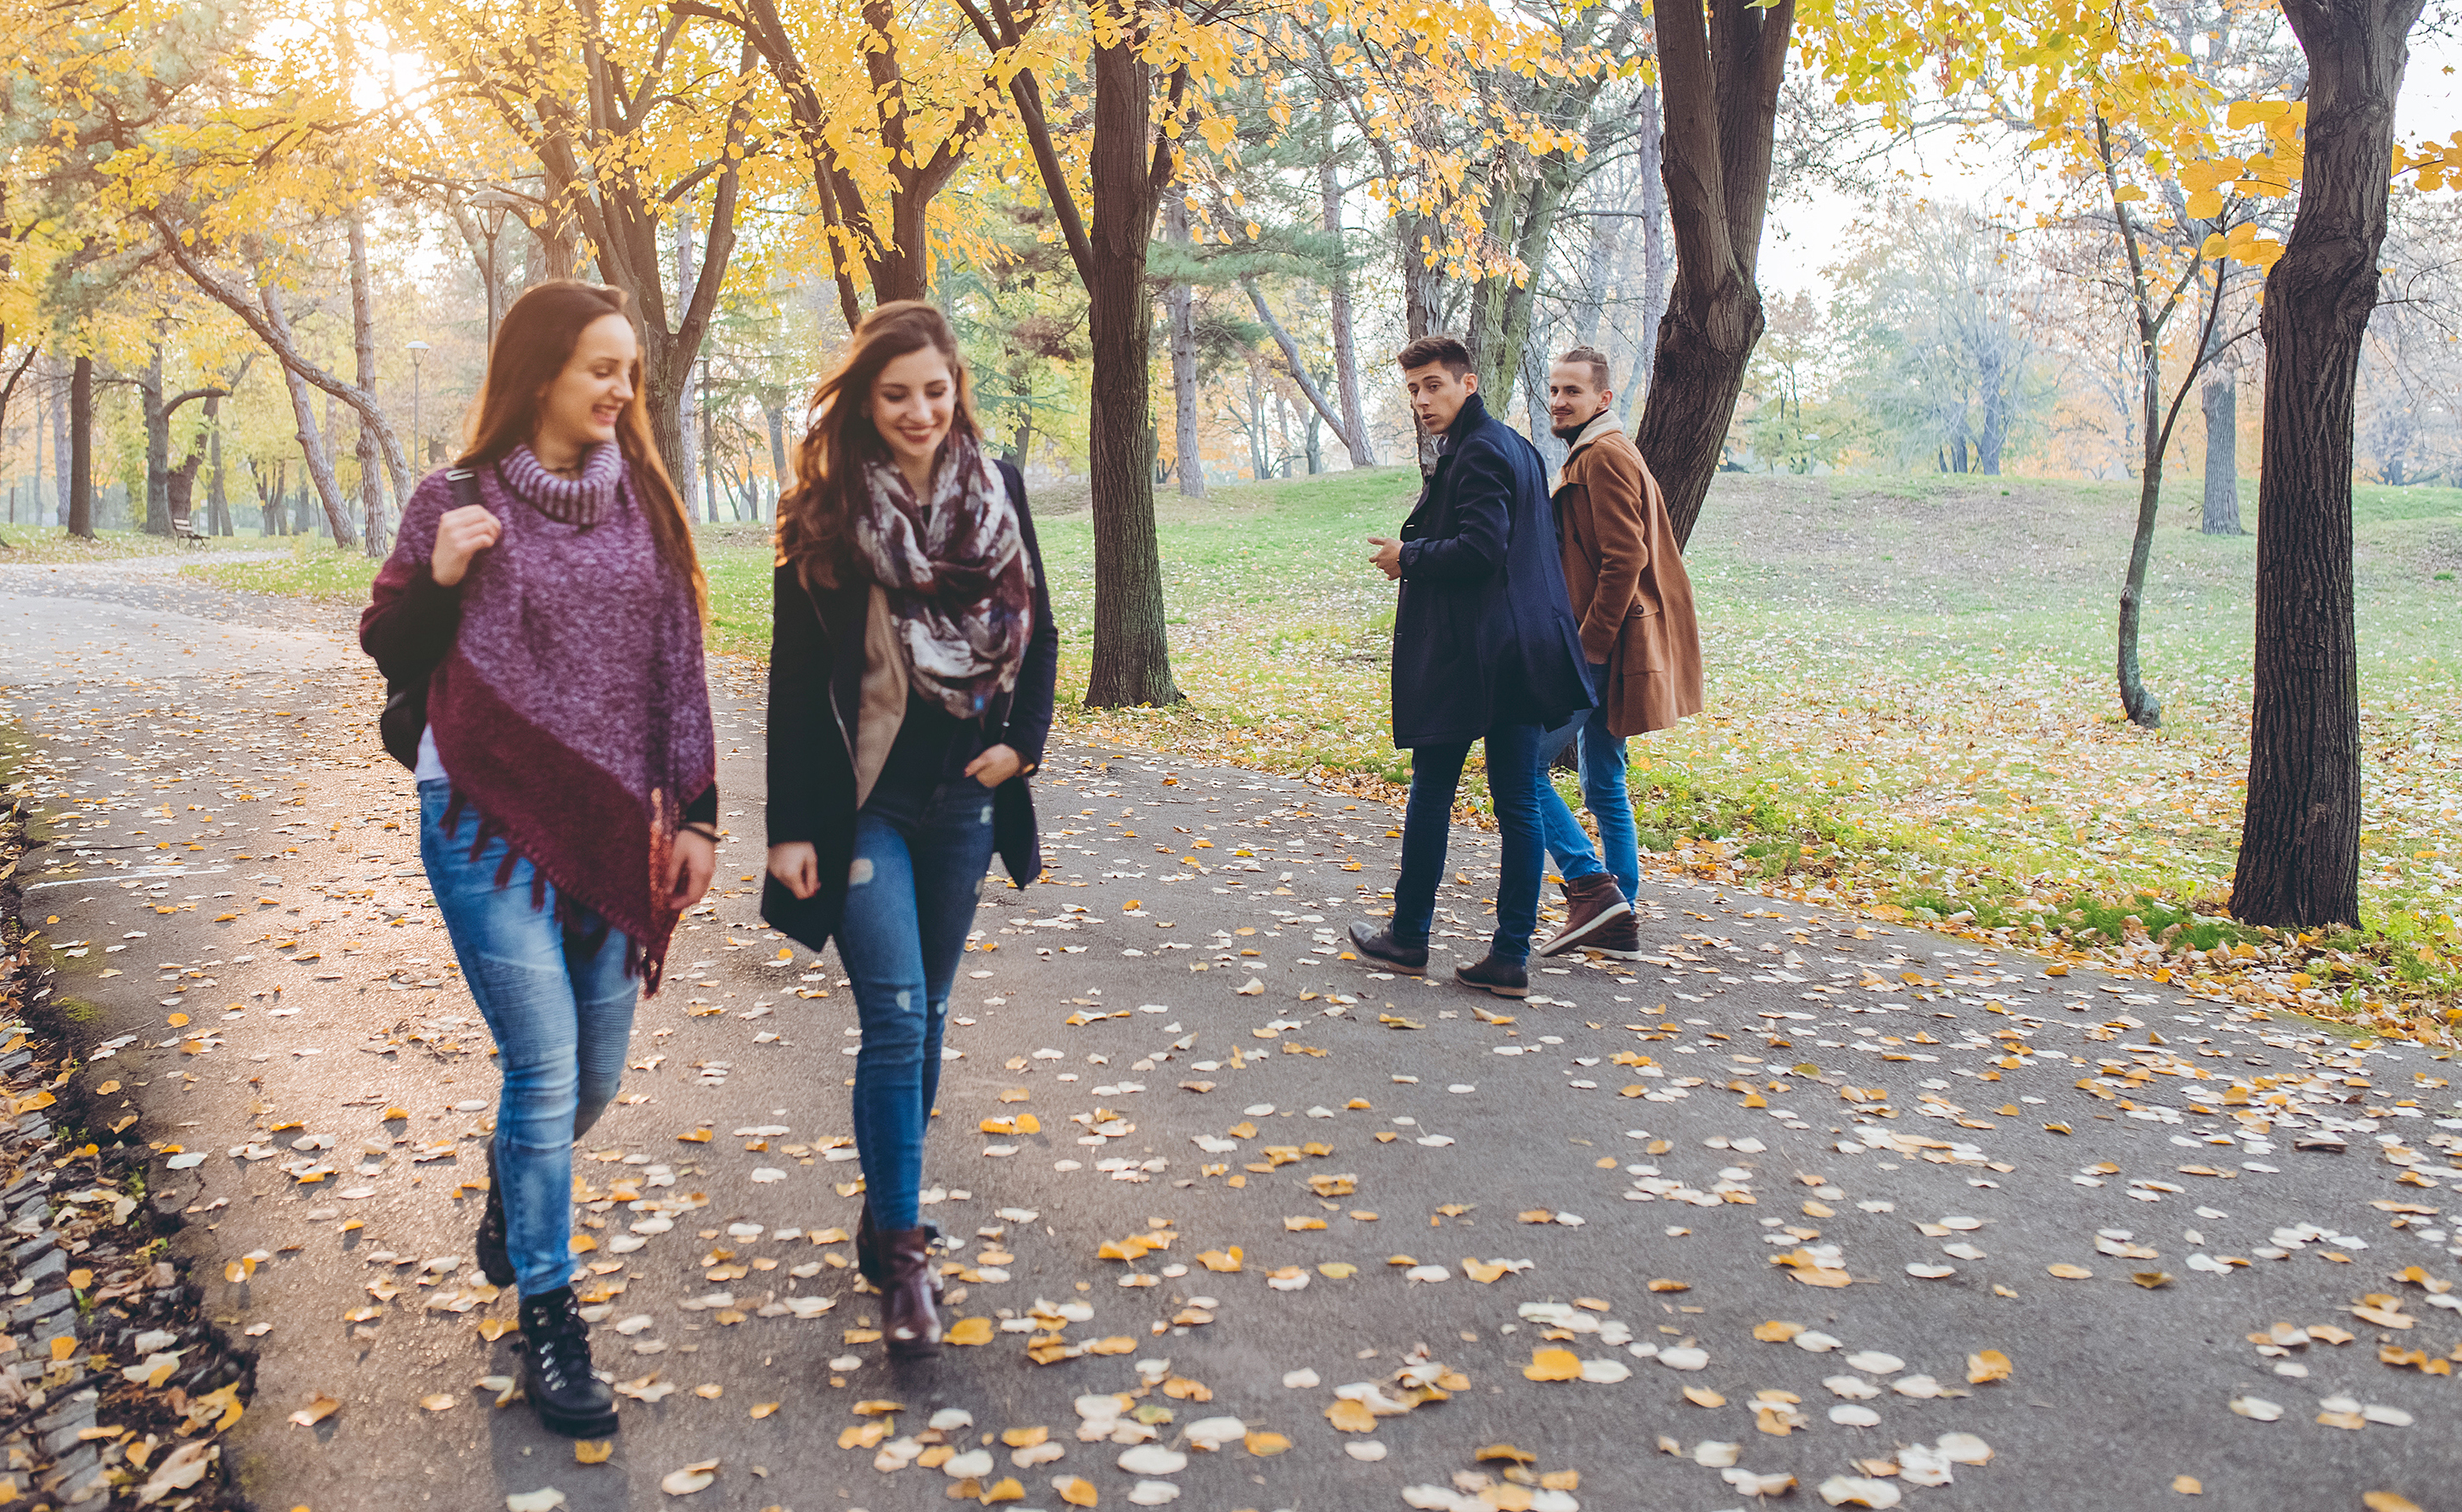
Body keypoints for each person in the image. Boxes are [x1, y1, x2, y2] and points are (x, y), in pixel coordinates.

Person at [361, 281, 719, 1440]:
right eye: (599, 369)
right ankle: (552, 1316)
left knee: (593, 1078)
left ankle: (517, 1202)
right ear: (541, 375)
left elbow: (679, 669)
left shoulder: (647, 506)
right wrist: (444, 575)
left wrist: (698, 815)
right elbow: (390, 647)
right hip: (479, 817)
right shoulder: (451, 498)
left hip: (616, 826)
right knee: (546, 1069)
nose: (621, 390)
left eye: (629, 372)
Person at [762, 301, 1058, 1358]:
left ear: (954, 387)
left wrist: (1020, 745)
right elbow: (797, 680)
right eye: (896, 395)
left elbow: (1041, 627)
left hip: (963, 804)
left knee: (927, 1014)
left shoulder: (997, 488)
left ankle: (885, 1203)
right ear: (863, 398)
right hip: (863, 809)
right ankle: (905, 1258)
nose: (920, 410)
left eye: (935, 390)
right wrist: (788, 824)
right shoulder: (829, 508)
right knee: (893, 1016)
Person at [1352, 334, 1594, 999]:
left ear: (1469, 382)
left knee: (1436, 790)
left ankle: (1409, 936)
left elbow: (1483, 549)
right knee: (1516, 802)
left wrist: (1411, 556)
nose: (1422, 401)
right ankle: (1509, 956)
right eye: (1413, 391)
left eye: (1433, 385)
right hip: (1517, 654)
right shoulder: (1513, 445)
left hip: (1479, 657)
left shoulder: (1483, 450)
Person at [1532, 346, 1704, 957]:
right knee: (1604, 777)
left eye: (1572, 392)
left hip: (1602, 645)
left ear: (1602, 399)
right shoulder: (1603, 450)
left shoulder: (1602, 455)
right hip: (1616, 641)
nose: (1559, 401)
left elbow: (1624, 558)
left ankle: (1594, 887)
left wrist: (1590, 646)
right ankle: (1619, 912)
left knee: (1521, 770)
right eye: (1554, 390)